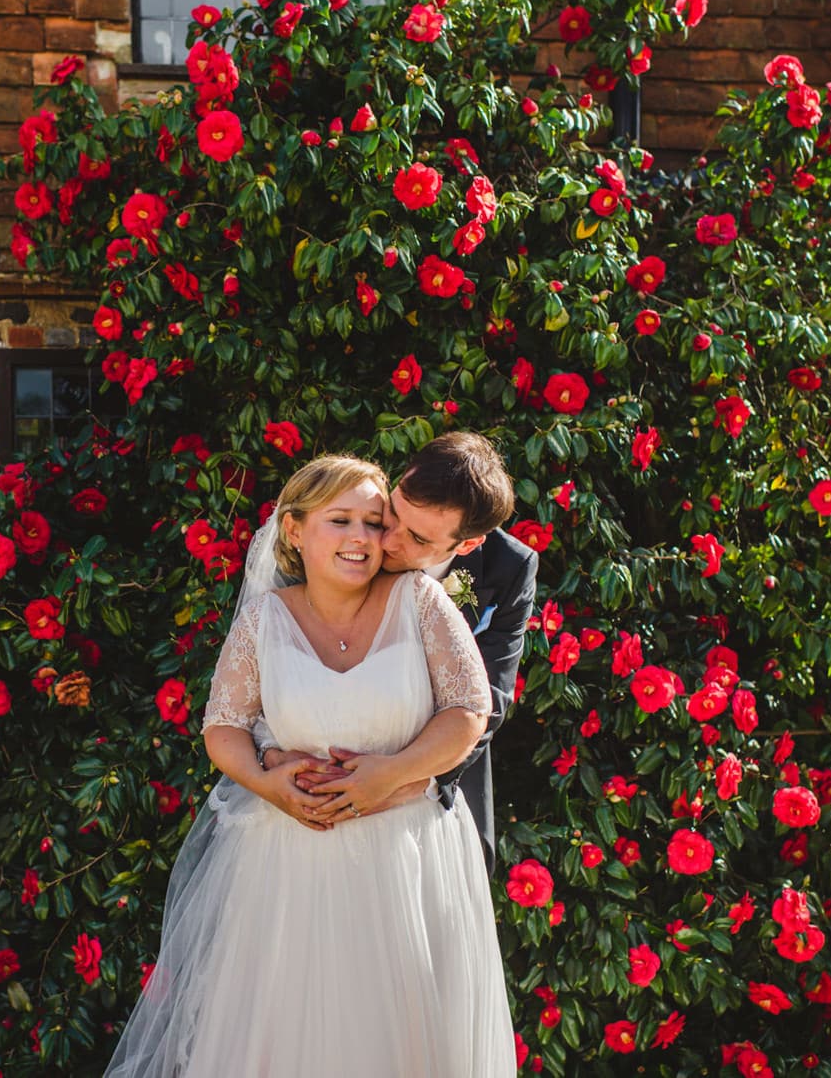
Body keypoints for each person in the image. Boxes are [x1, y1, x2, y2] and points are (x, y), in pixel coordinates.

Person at [104, 455, 514, 1077]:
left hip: (404, 858)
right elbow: (223, 726)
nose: (363, 537)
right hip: (286, 862)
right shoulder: (265, 618)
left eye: (374, 523)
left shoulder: (422, 598)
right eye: (340, 520)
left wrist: (395, 773)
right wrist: (266, 782)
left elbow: (470, 708)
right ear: (294, 530)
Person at [260, 431, 538, 871]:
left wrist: (411, 778)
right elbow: (271, 659)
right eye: (392, 516)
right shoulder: (339, 530)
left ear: (466, 545)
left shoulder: (508, 568)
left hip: (426, 797)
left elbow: (489, 698)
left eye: (419, 541)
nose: (386, 542)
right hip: (311, 791)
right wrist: (270, 756)